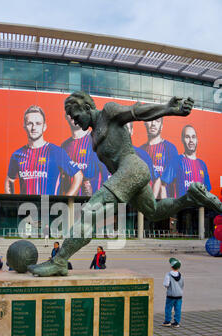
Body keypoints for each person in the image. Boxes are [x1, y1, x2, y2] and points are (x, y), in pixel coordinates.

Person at [28, 92, 222, 277]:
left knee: (89, 212)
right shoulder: (92, 135)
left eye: (75, 115)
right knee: (153, 211)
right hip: (130, 173)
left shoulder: (108, 112)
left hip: (132, 168)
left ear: (87, 108)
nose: (74, 120)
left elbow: (136, 112)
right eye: (70, 117)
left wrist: (168, 109)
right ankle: (190, 197)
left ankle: (60, 261)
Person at [5, 105, 83, 195]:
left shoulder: (56, 152)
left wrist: (66, 200)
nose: (34, 127)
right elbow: (9, 180)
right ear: (24, 126)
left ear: (44, 126)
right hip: (25, 208)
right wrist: (12, 202)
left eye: (38, 123)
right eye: (30, 123)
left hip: (49, 208)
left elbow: (78, 176)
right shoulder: (17, 155)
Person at [60, 113, 110, 196]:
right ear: (66, 116)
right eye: (70, 111)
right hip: (71, 205)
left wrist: (93, 190)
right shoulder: (64, 145)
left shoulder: (98, 141)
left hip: (93, 205)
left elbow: (109, 176)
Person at [140, 118, 181, 199]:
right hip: (145, 202)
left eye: (157, 121)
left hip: (165, 202)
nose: (153, 124)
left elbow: (177, 179)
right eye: (150, 120)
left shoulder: (170, 148)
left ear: (161, 126)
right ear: (145, 124)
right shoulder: (140, 150)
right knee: (115, 209)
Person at [175, 125, 212, 197]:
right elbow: (163, 184)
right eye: (187, 137)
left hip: (199, 207)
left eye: (193, 137)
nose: (191, 140)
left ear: (197, 140)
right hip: (183, 207)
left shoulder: (202, 164)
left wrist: (202, 207)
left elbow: (207, 190)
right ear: (182, 140)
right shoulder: (177, 160)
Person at [162, 258, 184, 328]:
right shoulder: (181, 276)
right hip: (179, 295)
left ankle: (167, 321)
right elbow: (182, 284)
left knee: (168, 308)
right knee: (178, 309)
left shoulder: (168, 275)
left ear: (171, 267)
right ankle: (176, 322)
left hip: (171, 295)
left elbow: (166, 284)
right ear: (179, 267)